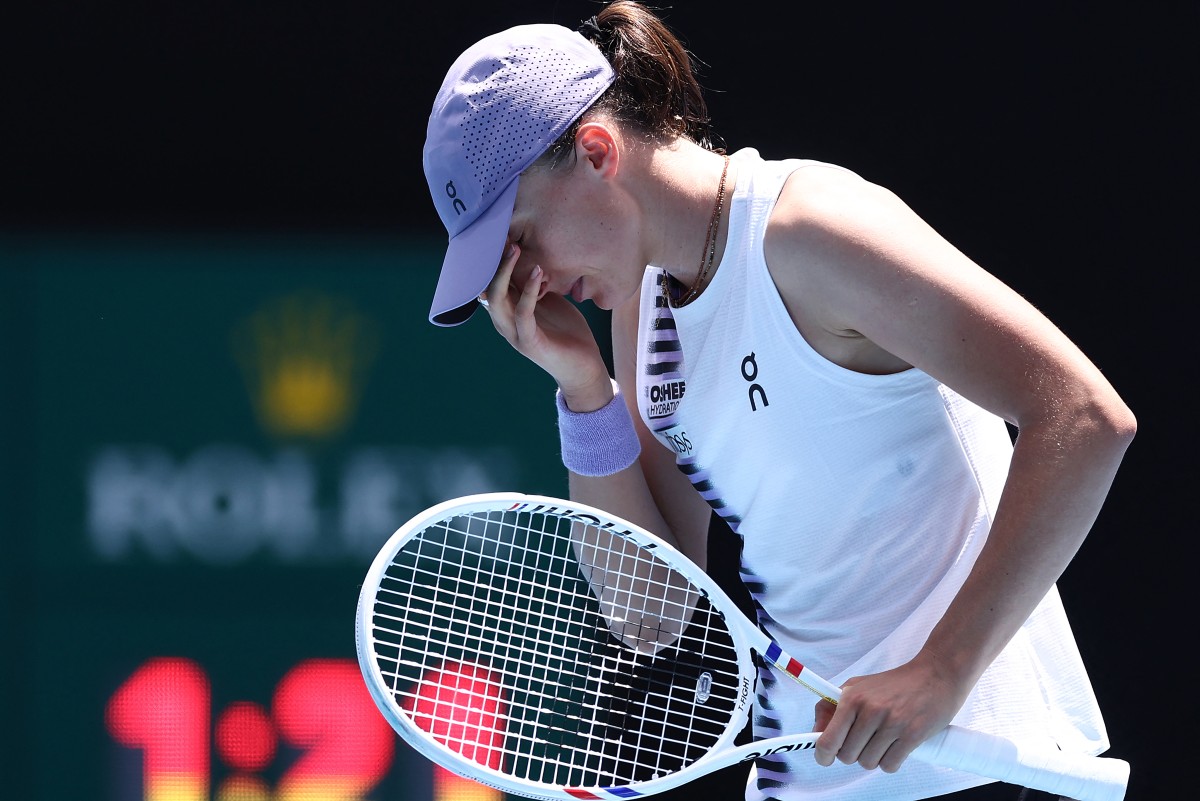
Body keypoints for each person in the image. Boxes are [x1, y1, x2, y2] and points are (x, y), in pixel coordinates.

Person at [420, 3, 1136, 799]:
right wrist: (587, 392)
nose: (528, 279)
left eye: (520, 237)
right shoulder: (641, 307)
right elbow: (651, 615)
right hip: (808, 781)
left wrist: (942, 668)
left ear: (596, 151)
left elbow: (1082, 416)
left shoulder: (811, 230)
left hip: (969, 769)